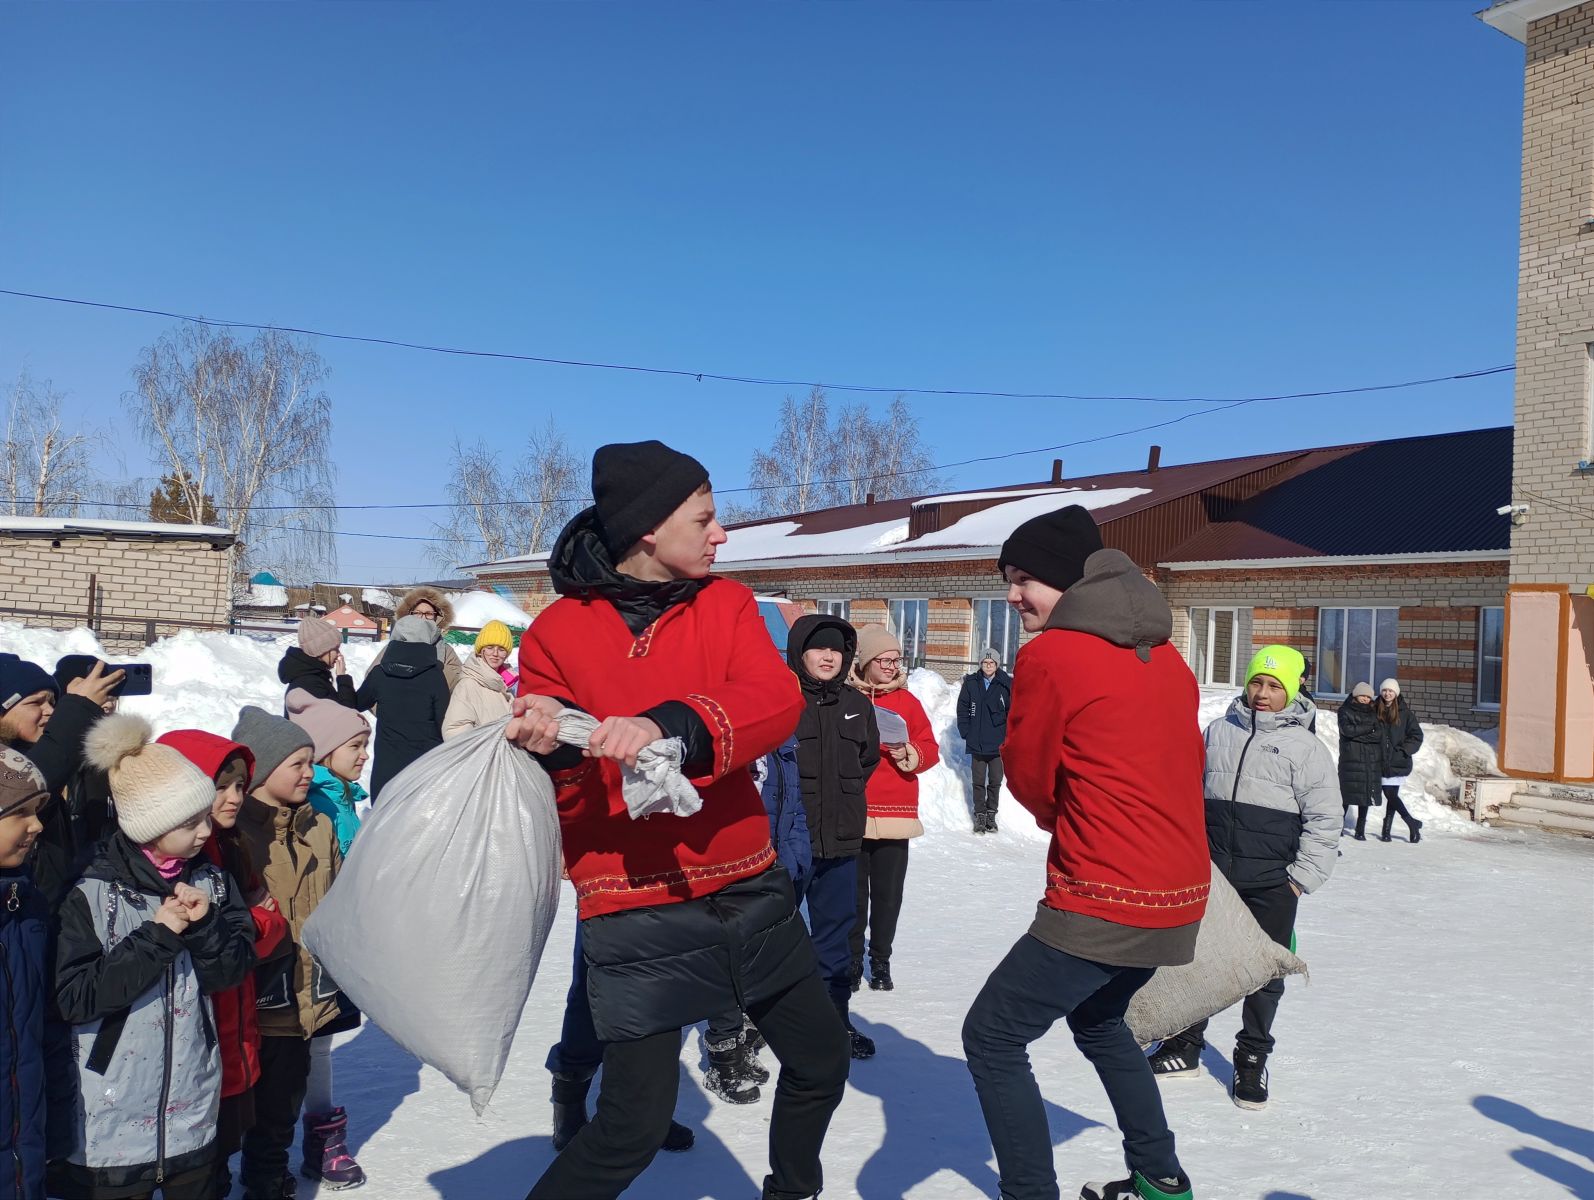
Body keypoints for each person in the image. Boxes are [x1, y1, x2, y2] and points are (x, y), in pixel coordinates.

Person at [507, 440, 848, 1200]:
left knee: (822, 1063)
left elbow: (774, 700)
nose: (721, 533)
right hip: (637, 904)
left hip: (748, 885)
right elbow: (570, 806)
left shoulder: (727, 605)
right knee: (632, 1126)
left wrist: (669, 726)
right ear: (650, 528)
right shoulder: (557, 633)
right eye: (706, 518)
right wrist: (555, 757)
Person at [961, 505, 1209, 1200]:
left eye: (1024, 579)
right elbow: (1185, 765)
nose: (1013, 595)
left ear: (1068, 580)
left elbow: (1031, 774)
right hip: (1179, 895)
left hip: (1105, 892)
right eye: (1008, 579)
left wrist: (1070, 821)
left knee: (993, 1036)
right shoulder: (1167, 656)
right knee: (1099, 1020)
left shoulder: (1052, 655)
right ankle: (1160, 1177)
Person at [51, 714, 255, 1200]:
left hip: (192, 1107)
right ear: (150, 825)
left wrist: (206, 926)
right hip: (110, 1120)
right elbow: (75, 998)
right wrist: (157, 936)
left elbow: (232, 971)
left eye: (205, 816)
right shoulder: (91, 894)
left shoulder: (211, 881)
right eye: (190, 822)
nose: (206, 830)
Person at [1150, 644, 1340, 1112]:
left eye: (1275, 686)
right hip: (1213, 877)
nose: (1262, 693)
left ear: (1292, 690)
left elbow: (1325, 820)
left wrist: (1298, 879)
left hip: (1272, 883)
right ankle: (1184, 1045)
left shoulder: (1307, 749)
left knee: (1265, 971)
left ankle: (1252, 1057)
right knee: (1191, 960)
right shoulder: (1219, 732)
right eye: (1257, 682)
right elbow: (1189, 793)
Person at [158, 729, 293, 1200]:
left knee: (218, 1157)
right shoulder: (177, 861)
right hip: (194, 1034)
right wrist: (251, 922)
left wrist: (251, 924)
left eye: (239, 785)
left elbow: (269, 927)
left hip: (234, 1024)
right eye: (220, 786)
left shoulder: (232, 846)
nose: (234, 797)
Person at [230, 707, 350, 1200]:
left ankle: (266, 1181)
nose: (309, 772)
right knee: (236, 1107)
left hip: (303, 998)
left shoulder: (319, 824)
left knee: (282, 1106)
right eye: (297, 763)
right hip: (251, 998)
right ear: (262, 770)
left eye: (311, 761)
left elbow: (341, 896)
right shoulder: (234, 834)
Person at [284, 692, 372, 1188]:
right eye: (355, 746)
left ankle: (319, 1137)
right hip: (308, 941)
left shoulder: (341, 797)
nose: (364, 755)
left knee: (319, 1041)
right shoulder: (317, 801)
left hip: (331, 936)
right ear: (324, 751)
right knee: (306, 1044)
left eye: (366, 744)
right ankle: (303, 1139)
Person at [786, 613, 881, 1059]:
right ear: (800, 653)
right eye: (818, 648)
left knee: (837, 936)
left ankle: (834, 1019)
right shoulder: (782, 700)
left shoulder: (858, 705)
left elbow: (868, 759)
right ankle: (761, 1019)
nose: (828, 657)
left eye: (836, 650)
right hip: (789, 841)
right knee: (773, 934)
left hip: (841, 840)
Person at [847, 624, 938, 994]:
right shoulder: (847, 698)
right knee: (853, 896)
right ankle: (852, 960)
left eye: (896, 660)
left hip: (895, 812)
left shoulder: (908, 702)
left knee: (887, 895)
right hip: (853, 810)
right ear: (866, 661)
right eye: (884, 660)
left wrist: (908, 752)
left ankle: (880, 960)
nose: (891, 666)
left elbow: (930, 748)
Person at [0, 748, 73, 1200]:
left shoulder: (26, 903)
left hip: (24, 1148)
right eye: (20, 813)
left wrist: (57, 1127)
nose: (38, 825)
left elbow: (43, 1026)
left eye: (39, 811)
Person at [1, 653, 122, 902]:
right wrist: (79, 708)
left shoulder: (48, 754)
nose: (49, 711)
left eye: (52, 701)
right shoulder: (18, 768)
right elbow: (31, 781)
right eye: (36, 703)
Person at [355, 615, 449, 799]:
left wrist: (342, 679)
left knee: (383, 811)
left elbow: (356, 703)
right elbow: (443, 721)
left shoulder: (380, 673)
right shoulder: (435, 676)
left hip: (387, 764)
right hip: (424, 764)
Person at [50, 654, 120, 858]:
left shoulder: (124, 749)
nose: (108, 703)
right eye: (98, 693)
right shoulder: (50, 751)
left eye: (112, 694)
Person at [957, 647, 1011, 834]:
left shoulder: (1006, 684)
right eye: (985, 663)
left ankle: (991, 815)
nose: (988, 666)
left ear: (997, 664)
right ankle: (980, 815)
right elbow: (963, 708)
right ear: (980, 664)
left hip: (998, 742)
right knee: (978, 781)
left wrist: (1009, 736)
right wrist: (966, 731)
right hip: (977, 740)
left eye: (992, 663)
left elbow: (1012, 711)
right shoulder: (971, 683)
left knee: (995, 780)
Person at [368, 588, 463, 692]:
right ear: (409, 616)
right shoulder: (395, 646)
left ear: (437, 617)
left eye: (429, 614)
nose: (423, 618)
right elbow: (371, 679)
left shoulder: (445, 650)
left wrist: (430, 667)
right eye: (417, 613)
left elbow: (459, 681)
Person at [441, 621, 515, 739]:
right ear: (481, 651)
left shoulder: (506, 684)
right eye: (490, 647)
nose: (495, 653)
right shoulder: (468, 684)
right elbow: (454, 730)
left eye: (501, 649)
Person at [1376, 679, 1424, 844]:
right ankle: (1411, 823)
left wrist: (1404, 750)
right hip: (1380, 760)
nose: (1387, 694)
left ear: (1396, 693)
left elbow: (1416, 736)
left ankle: (1387, 831)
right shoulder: (1375, 709)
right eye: (1384, 690)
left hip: (1397, 760)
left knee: (1391, 795)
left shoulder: (1405, 713)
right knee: (1390, 794)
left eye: (1390, 691)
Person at [277, 619, 357, 710]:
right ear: (321, 650)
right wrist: (342, 678)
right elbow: (345, 713)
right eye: (336, 649)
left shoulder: (313, 674)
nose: (339, 654)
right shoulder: (310, 684)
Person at [1337, 682, 1382, 840]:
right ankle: (1338, 827)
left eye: (1368, 697)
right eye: (1363, 695)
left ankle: (1360, 830)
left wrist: (1358, 736)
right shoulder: (1345, 710)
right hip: (1351, 758)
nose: (1365, 699)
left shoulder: (1374, 712)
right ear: (1356, 695)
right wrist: (1368, 729)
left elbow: (1379, 734)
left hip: (1369, 759)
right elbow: (1347, 731)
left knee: (1365, 795)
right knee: (1346, 794)